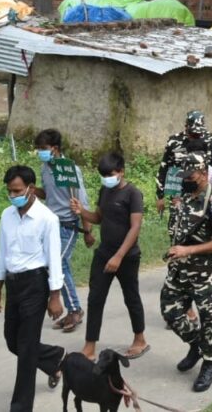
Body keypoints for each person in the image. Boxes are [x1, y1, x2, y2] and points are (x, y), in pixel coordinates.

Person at [0, 165, 66, 412]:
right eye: (10, 191)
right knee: (13, 341)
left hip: (35, 285)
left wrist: (55, 296)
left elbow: (55, 258)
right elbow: (2, 253)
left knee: (26, 348)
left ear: (31, 189)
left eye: (17, 191)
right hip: (13, 283)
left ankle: (21, 406)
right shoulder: (6, 215)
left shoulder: (47, 219)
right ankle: (53, 358)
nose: (13, 195)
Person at [160, 153, 212, 393]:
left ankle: (209, 363)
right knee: (169, 310)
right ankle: (197, 344)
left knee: (209, 319)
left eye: (189, 176)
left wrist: (188, 249)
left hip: (205, 275)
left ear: (202, 173)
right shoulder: (187, 198)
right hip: (180, 270)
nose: (186, 180)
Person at [69, 152, 148, 362]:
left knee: (131, 297)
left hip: (127, 256)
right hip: (104, 253)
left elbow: (135, 228)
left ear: (121, 172)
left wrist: (119, 256)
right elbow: (98, 217)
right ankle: (89, 346)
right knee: (95, 298)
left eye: (110, 174)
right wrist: (81, 212)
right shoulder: (105, 190)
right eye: (103, 175)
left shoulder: (133, 194)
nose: (106, 178)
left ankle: (140, 339)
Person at [33, 129, 93, 334]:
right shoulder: (45, 168)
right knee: (57, 265)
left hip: (67, 225)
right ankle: (73, 309)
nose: (40, 152)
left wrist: (87, 231)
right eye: (38, 149)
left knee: (56, 264)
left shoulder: (70, 170)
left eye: (43, 149)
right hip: (49, 225)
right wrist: (32, 190)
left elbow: (80, 202)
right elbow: (48, 195)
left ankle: (74, 309)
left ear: (55, 149)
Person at [156, 111, 212, 221]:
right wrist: (160, 196)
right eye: (192, 133)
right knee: (176, 230)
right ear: (186, 127)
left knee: (205, 229)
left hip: (205, 194)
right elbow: (164, 168)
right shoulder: (174, 142)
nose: (195, 137)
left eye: (198, 134)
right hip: (179, 194)